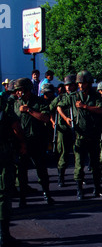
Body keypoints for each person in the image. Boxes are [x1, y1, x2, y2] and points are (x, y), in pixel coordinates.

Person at [58, 70, 102, 200]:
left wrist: (85, 107)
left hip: (94, 135)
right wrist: (66, 118)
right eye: (79, 83)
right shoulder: (73, 96)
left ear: (89, 83)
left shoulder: (95, 97)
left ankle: (97, 188)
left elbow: (101, 110)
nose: (80, 85)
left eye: (83, 83)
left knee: (95, 164)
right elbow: (59, 106)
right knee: (79, 165)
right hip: (79, 136)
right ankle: (79, 190)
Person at [13, 78, 54, 206]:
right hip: (21, 142)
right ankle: (23, 198)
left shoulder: (39, 102)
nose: (19, 93)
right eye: (17, 91)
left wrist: (29, 110)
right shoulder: (15, 104)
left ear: (28, 89)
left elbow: (46, 118)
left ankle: (47, 194)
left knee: (41, 170)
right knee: (22, 172)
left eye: (21, 90)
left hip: (37, 141)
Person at [0, 93, 26, 247]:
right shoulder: (5, 107)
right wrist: (22, 143)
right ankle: (4, 235)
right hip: (3, 153)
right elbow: (16, 128)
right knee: (3, 194)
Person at [50, 74, 77, 187]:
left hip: (76, 129)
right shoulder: (60, 98)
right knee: (63, 153)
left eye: (70, 85)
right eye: (66, 85)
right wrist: (53, 122)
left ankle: (78, 177)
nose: (68, 87)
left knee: (78, 153)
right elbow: (50, 110)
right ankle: (61, 177)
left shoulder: (78, 96)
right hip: (63, 129)